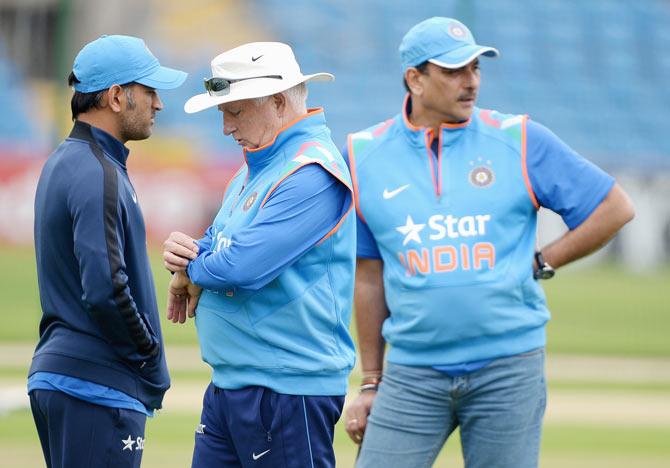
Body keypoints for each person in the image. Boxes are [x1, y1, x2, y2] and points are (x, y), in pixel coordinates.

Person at [343, 17, 635, 468]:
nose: (471, 82)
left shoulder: (518, 138)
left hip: (508, 366)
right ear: (414, 79)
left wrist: (542, 260)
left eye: (476, 69)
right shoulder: (364, 154)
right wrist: (371, 381)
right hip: (412, 371)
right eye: (454, 71)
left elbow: (614, 208)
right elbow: (368, 275)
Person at [162, 41, 356, 468]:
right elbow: (215, 243)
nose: (226, 127)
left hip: (288, 390)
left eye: (235, 111)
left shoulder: (311, 173)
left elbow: (241, 266)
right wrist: (193, 262)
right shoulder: (258, 166)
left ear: (278, 102)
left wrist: (192, 268)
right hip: (236, 383)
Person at [28, 35, 187, 468]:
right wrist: (149, 355)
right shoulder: (97, 170)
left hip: (72, 379)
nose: (159, 103)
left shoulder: (70, 159)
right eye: (150, 90)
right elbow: (106, 287)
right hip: (96, 386)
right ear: (117, 96)